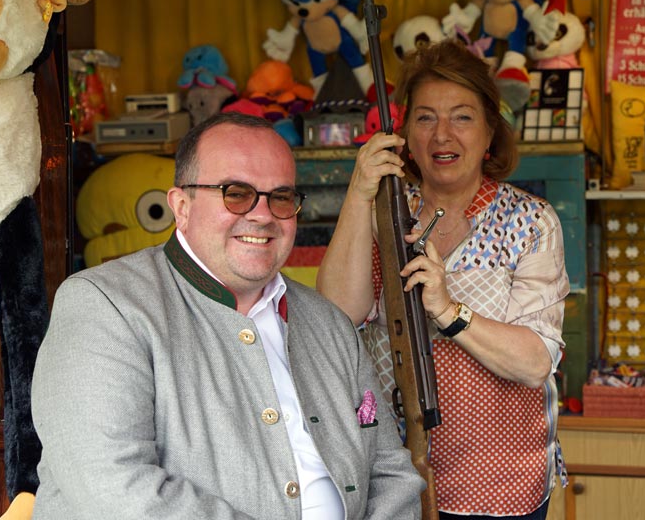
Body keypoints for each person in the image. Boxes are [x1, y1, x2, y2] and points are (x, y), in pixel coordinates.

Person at [31, 113, 426, 519]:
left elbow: (391, 474)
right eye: (236, 193)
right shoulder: (105, 306)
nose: (263, 215)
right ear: (181, 207)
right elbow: (113, 488)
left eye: (281, 197)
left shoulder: (327, 323)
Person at [317, 39, 570, 520]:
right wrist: (359, 192)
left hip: (499, 486)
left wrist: (450, 312)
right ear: (405, 136)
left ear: (490, 130)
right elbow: (337, 314)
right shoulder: (384, 214)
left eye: (462, 117)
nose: (442, 135)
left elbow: (536, 361)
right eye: (426, 118)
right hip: (389, 474)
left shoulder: (529, 221)